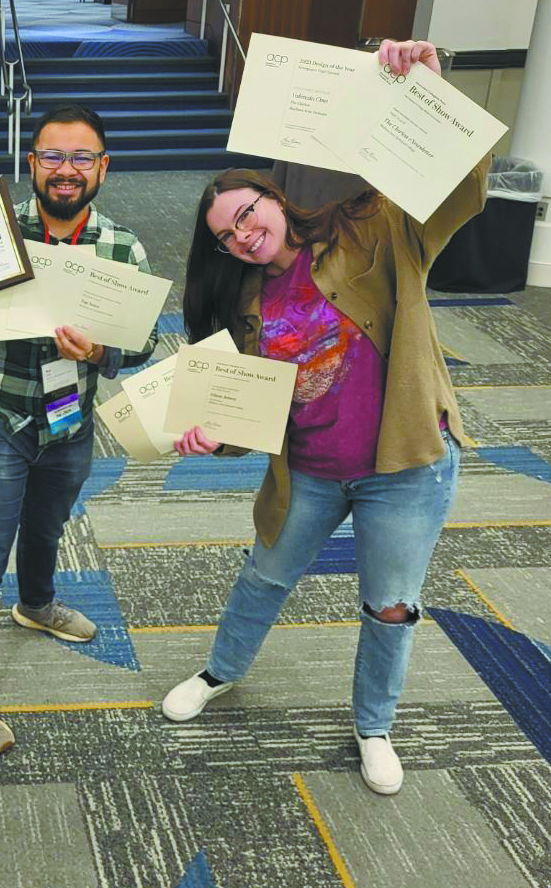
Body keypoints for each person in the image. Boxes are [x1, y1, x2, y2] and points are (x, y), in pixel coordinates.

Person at [160, 40, 488, 795]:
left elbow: (459, 190)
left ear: (273, 197)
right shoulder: (242, 307)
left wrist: (430, 95)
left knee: (390, 605)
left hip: (403, 465)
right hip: (307, 469)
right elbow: (247, 410)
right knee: (264, 574)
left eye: (247, 212)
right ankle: (219, 672)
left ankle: (374, 724)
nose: (243, 234)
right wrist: (209, 438)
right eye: (226, 233)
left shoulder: (370, 229)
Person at [0, 104, 158, 753]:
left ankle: (36, 604)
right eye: (52, 157)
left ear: (102, 168)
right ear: (31, 164)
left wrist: (102, 355)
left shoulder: (122, 247)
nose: (66, 170)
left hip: (71, 419)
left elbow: (140, 343)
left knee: (46, 527)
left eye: (81, 157)